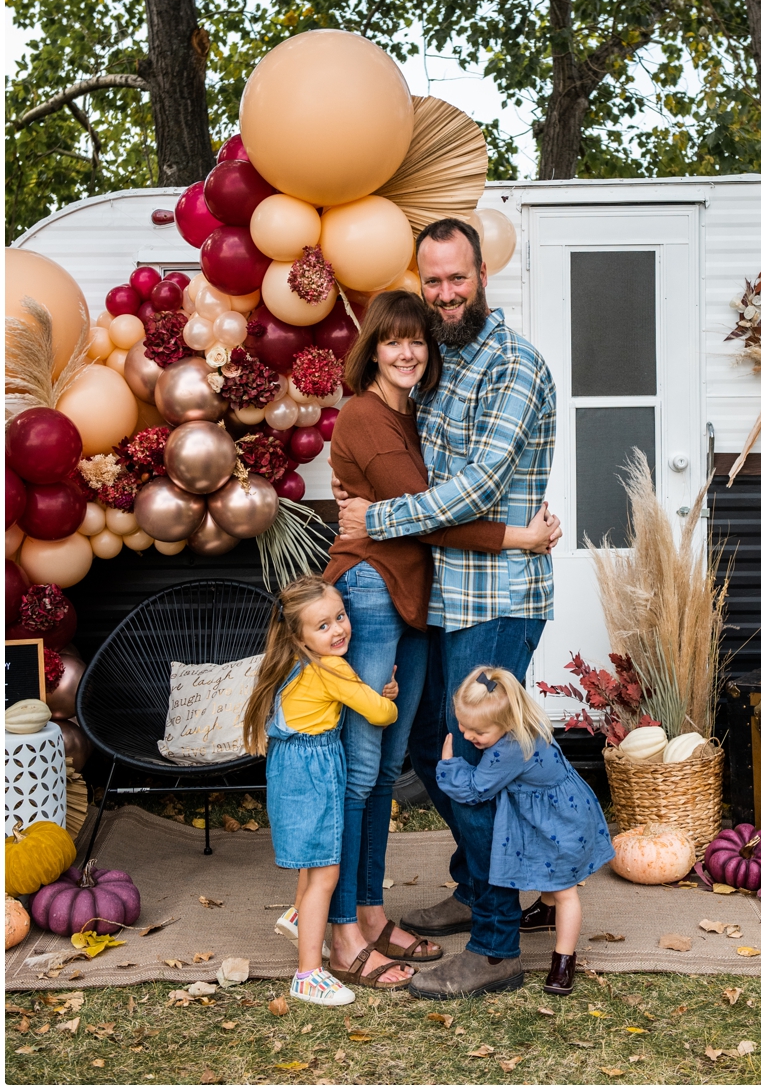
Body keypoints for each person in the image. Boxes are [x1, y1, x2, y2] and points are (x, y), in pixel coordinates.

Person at [335, 217, 558, 999]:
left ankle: (497, 943)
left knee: (472, 761)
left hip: (496, 600)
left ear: (481, 273)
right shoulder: (435, 365)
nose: (444, 294)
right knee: (435, 750)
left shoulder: (514, 365)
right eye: (432, 282)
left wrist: (375, 518)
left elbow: (479, 488)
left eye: (455, 278)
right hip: (444, 599)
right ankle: (476, 888)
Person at [242, 575, 399, 1008]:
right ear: (300, 635)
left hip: (289, 766)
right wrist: (389, 693)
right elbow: (380, 713)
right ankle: (308, 974)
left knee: (311, 866)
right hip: (314, 769)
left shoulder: (289, 660)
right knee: (326, 871)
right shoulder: (332, 668)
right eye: (324, 626)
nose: (339, 630)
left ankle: (299, 918)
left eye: (340, 617)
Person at [434, 667, 613, 997]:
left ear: (505, 723)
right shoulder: (525, 721)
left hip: (561, 822)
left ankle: (563, 958)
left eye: (477, 731)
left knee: (565, 890)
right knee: (549, 867)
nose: (465, 734)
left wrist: (449, 766)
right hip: (556, 812)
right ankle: (545, 910)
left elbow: (476, 789)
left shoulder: (511, 749)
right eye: (461, 724)